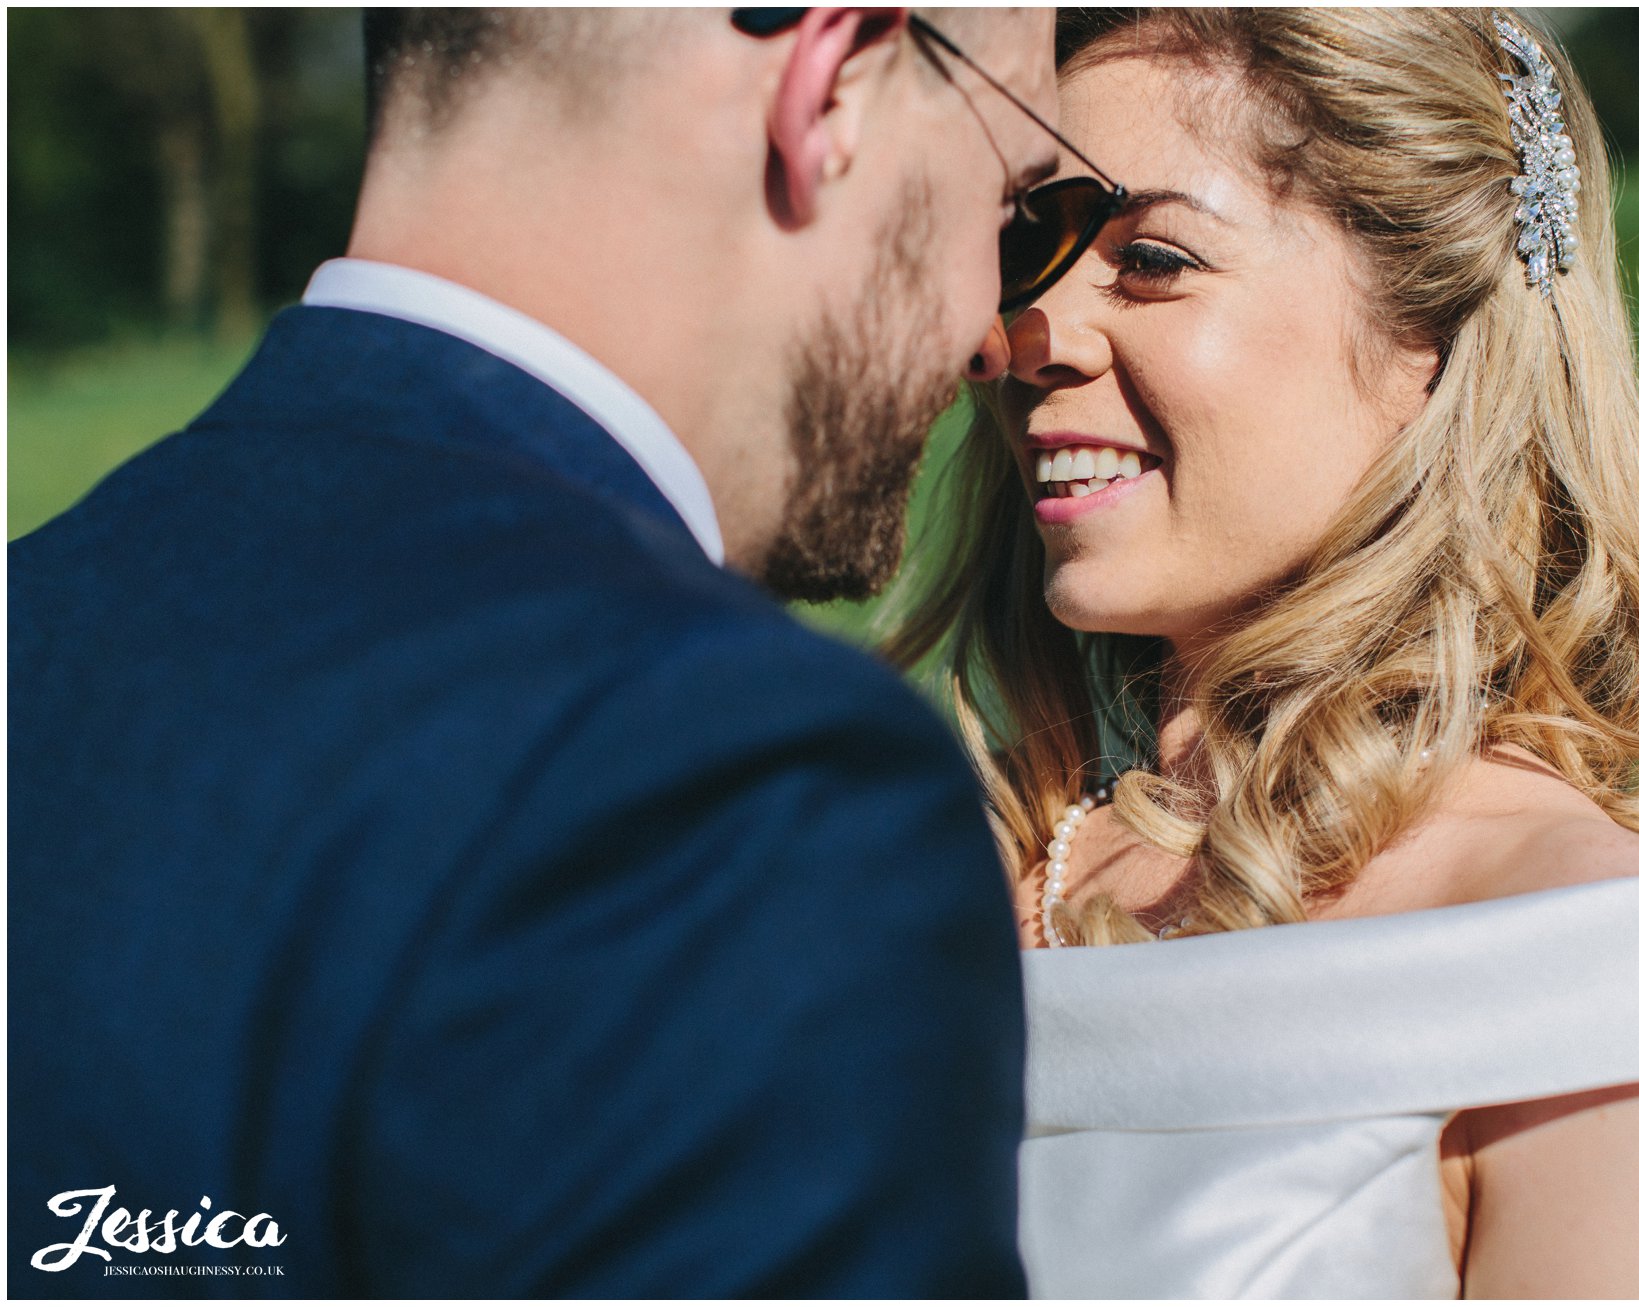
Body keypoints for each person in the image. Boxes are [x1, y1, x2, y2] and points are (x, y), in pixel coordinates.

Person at [10, 8, 1060, 1296]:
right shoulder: (731, 789)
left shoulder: (38, 613)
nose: (990, 336)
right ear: (829, 84)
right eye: (1012, 213)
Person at [889, 8, 1639, 1298]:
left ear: (1431, 338)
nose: (1031, 336)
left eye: (1155, 260)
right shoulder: (910, 876)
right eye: (1032, 255)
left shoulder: (1606, 977)